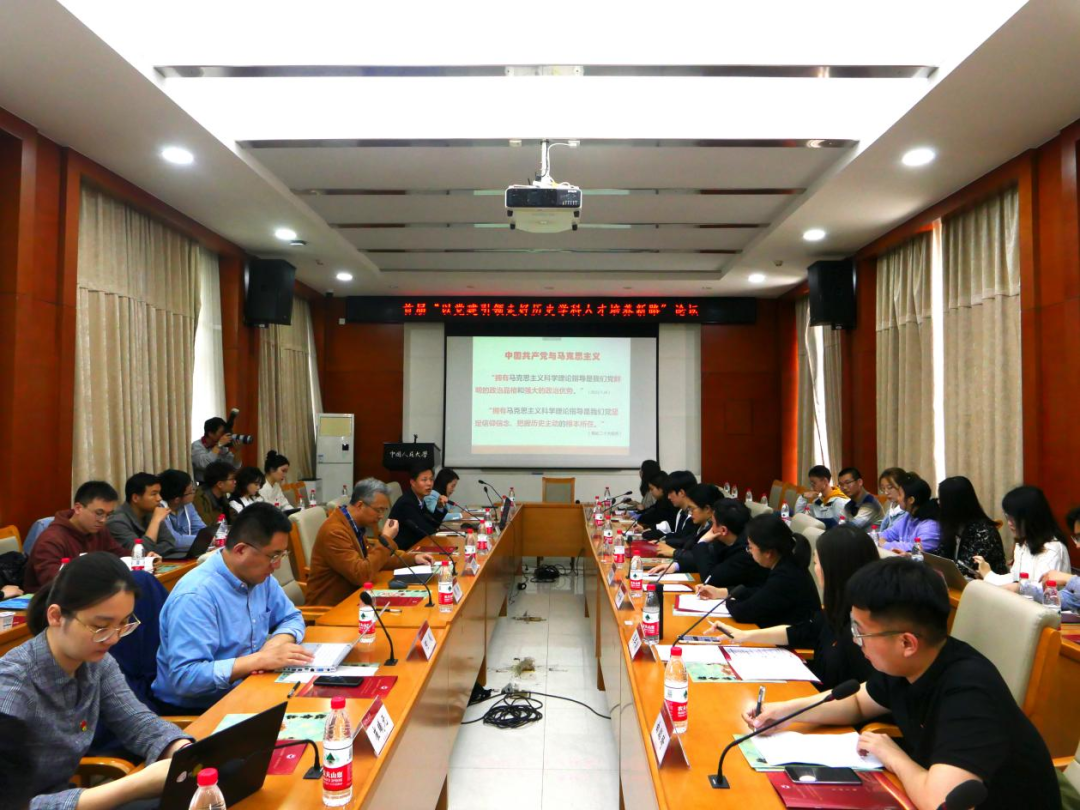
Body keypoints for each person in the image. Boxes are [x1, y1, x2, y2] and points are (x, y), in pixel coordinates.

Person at [745, 558, 1060, 809]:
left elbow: (938, 801)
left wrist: (892, 754)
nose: (855, 640)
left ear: (907, 642)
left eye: (861, 632)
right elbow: (857, 702)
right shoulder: (910, 664)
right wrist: (786, 711)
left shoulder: (969, 692)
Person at [0, 553, 194, 809]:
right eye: (101, 626)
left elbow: (136, 721)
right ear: (56, 616)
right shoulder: (12, 686)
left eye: (124, 624)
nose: (114, 638)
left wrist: (182, 751)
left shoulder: (95, 663)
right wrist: (132, 786)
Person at [153, 503, 311, 710]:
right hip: (203, 709)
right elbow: (185, 678)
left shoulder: (259, 577)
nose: (277, 565)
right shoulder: (196, 596)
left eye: (282, 554)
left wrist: (276, 644)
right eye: (273, 556)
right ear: (241, 550)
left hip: (252, 687)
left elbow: (291, 617)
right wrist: (258, 660)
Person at [712, 525, 880, 689]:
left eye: (816, 563)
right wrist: (744, 635)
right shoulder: (835, 611)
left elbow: (861, 695)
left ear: (833, 571)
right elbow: (799, 631)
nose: (815, 569)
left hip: (826, 700)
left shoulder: (862, 630)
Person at [306, 478, 436, 606]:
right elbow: (361, 575)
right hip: (332, 609)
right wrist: (386, 538)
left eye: (384, 510)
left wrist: (413, 559)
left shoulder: (353, 524)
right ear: (360, 505)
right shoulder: (335, 532)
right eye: (379, 510)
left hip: (356, 598)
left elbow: (373, 560)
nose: (381, 516)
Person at [696, 514, 820, 627]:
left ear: (768, 552)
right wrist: (720, 592)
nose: (749, 552)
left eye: (750, 547)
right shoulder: (787, 562)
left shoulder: (785, 575)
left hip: (798, 643)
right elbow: (761, 592)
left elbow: (744, 613)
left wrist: (729, 601)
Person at [24, 481, 128, 592]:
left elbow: (119, 554)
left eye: (108, 515)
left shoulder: (100, 531)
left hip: (91, 593)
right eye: (99, 513)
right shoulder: (51, 539)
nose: (103, 520)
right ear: (78, 508)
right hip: (52, 598)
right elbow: (54, 581)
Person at [979, 485, 1070, 588]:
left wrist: (989, 576)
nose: (1009, 523)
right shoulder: (1023, 542)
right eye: (1007, 517)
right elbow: (1015, 579)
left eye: (1014, 519)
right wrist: (988, 575)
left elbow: (1040, 590)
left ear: (1031, 518)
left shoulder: (1053, 549)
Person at [936, 476, 1008, 577]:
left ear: (954, 504)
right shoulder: (953, 526)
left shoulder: (984, 532)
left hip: (987, 585)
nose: (938, 503)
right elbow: (941, 556)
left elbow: (966, 569)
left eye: (941, 500)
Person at [107, 472, 178, 557]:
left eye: (159, 493)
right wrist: (155, 522)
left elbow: (170, 543)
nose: (159, 498)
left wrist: (149, 553)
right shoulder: (116, 521)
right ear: (135, 498)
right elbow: (138, 553)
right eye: (154, 494)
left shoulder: (151, 512)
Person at [388, 463, 449, 550]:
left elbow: (433, 523)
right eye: (424, 480)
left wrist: (439, 506)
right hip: (403, 551)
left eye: (431, 479)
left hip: (417, 545)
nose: (429, 483)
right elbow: (426, 530)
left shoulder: (419, 499)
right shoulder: (406, 503)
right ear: (413, 482)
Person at [878, 473, 941, 554]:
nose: (897, 498)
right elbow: (888, 534)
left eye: (900, 495)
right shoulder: (909, 517)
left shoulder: (930, 525)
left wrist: (885, 544)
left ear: (911, 500)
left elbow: (917, 549)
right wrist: (876, 538)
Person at [652, 483, 719, 558]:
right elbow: (686, 541)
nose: (690, 513)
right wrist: (664, 542)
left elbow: (699, 557)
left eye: (692, 508)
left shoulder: (715, 531)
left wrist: (674, 552)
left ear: (707, 509)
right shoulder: (699, 526)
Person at [641, 470, 697, 543]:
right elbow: (677, 535)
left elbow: (684, 541)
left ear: (681, 493)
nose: (668, 497)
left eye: (670, 492)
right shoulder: (681, 512)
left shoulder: (694, 515)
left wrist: (664, 541)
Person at [159, 468, 206, 553]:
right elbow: (175, 541)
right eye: (191, 492)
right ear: (177, 499)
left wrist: (207, 538)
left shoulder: (188, 505)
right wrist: (204, 540)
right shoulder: (159, 510)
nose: (194, 493)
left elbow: (201, 529)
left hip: (187, 552)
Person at [191, 416, 239, 483]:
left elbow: (235, 466)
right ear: (210, 434)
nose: (224, 436)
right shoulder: (197, 445)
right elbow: (205, 464)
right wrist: (219, 445)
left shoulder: (222, 446)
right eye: (221, 433)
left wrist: (237, 451)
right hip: (205, 485)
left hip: (221, 484)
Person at [193, 459, 238, 527]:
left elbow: (234, 517)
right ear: (220, 484)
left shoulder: (222, 496)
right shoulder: (199, 498)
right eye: (232, 479)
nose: (235, 482)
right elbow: (207, 527)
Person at [877, 467, 908, 533]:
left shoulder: (907, 512)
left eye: (890, 487)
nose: (886, 492)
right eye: (883, 488)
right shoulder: (893, 506)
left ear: (902, 486)